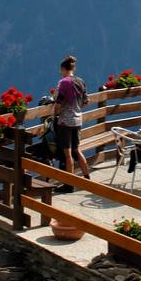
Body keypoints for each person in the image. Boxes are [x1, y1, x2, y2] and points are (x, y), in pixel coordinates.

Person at [52, 55, 91, 192]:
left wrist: (56, 114)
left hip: (65, 122)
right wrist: (76, 109)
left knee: (68, 154)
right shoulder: (80, 81)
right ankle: (87, 179)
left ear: (63, 69)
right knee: (77, 150)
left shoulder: (64, 82)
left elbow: (58, 103)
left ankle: (69, 185)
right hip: (77, 119)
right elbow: (86, 101)